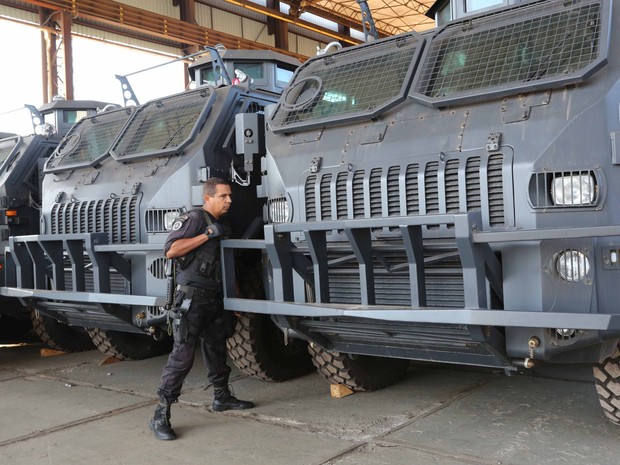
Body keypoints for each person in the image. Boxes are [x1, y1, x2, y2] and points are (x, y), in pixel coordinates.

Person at [149, 177, 254, 441]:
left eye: (230, 196)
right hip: (192, 299)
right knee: (182, 356)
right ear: (208, 198)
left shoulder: (224, 225)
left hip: (215, 299)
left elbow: (226, 263)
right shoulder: (196, 219)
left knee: (217, 350)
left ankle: (222, 397)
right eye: (223, 196)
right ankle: (160, 414)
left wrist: (235, 296)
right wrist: (206, 235)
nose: (229, 200)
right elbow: (171, 250)